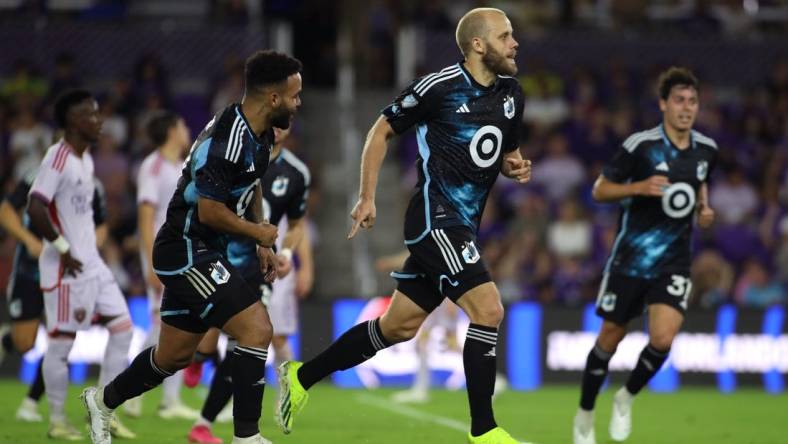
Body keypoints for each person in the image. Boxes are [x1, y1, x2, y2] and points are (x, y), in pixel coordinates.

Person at [275, 8, 531, 444]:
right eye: (505, 36)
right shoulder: (440, 88)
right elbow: (380, 131)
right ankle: (484, 431)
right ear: (478, 45)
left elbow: (502, 149)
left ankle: (300, 376)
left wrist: (514, 165)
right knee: (489, 310)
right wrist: (368, 195)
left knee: (398, 327)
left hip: (464, 224)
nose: (515, 43)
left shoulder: (512, 95)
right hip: (436, 219)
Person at [80, 50, 302, 444]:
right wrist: (257, 233)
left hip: (205, 249)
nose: (297, 104)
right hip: (184, 249)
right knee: (256, 327)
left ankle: (102, 401)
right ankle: (246, 437)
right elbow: (211, 211)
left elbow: (251, 184)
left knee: (173, 357)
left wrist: (262, 243)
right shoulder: (228, 140)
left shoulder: (263, 133)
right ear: (272, 98)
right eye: (294, 96)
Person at [572, 67, 718, 444]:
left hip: (674, 259)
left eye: (692, 101)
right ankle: (585, 414)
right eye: (679, 101)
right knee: (610, 337)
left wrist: (703, 208)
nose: (687, 108)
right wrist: (638, 186)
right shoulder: (641, 145)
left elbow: (700, 182)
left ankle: (625, 397)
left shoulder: (707, 149)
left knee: (664, 338)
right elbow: (599, 191)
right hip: (631, 258)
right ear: (663, 105)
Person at [187, 125, 312, 444]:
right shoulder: (237, 158)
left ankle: (207, 424)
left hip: (261, 269)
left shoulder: (296, 173)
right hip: (220, 258)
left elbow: (297, 224)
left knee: (245, 344)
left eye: (287, 123)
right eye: (277, 121)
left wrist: (286, 252)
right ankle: (200, 361)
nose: (281, 128)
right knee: (193, 343)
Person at [27, 89, 135, 440]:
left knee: (123, 329)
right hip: (65, 269)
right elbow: (35, 205)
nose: (99, 120)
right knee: (61, 344)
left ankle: (101, 411)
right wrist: (62, 248)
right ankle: (57, 421)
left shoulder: (86, 160)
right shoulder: (58, 157)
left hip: (92, 265)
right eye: (91, 114)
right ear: (73, 121)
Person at [0, 168, 107, 423]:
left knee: (62, 340)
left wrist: (88, 251)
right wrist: (28, 240)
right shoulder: (34, 177)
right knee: (25, 343)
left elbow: (102, 226)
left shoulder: (92, 183)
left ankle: (30, 404)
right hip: (30, 273)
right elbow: (6, 210)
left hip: (65, 276)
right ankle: (8, 341)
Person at [123, 111, 199, 420]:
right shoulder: (152, 166)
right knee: (159, 324)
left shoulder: (181, 167)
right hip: (161, 254)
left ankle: (170, 401)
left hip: (182, 253)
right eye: (182, 124)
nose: (186, 129)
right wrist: (151, 262)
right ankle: (127, 391)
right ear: (171, 130)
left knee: (181, 323)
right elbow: (145, 217)